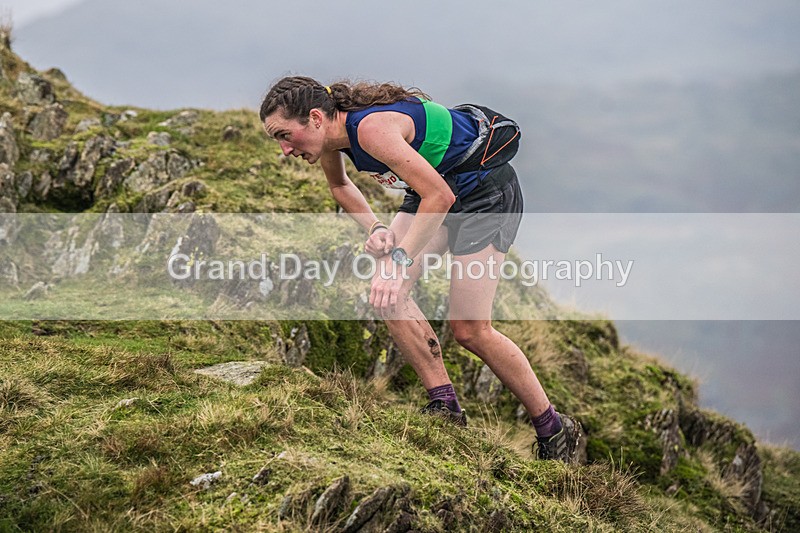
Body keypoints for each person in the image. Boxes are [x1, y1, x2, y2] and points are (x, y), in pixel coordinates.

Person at [259, 76, 582, 463]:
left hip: (484, 194)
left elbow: (439, 197)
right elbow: (340, 186)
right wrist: (376, 229)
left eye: (284, 135)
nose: (283, 149)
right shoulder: (330, 137)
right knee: (386, 294)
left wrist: (398, 261)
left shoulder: (371, 130)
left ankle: (554, 429)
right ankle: (445, 407)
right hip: (435, 190)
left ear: (314, 118)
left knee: (470, 330)